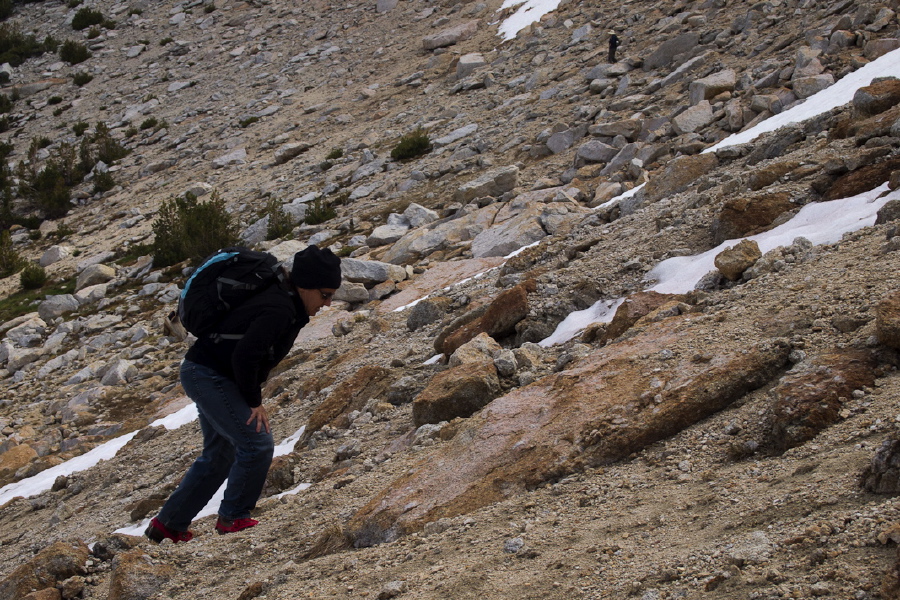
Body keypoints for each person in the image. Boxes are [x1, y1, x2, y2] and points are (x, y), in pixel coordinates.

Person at [145, 245, 342, 542]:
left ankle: (168, 525)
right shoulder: (281, 308)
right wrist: (254, 402)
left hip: (206, 372)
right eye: (324, 294)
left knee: (220, 454)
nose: (327, 303)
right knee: (257, 443)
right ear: (305, 286)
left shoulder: (286, 302)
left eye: (331, 296)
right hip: (209, 375)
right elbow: (245, 357)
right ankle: (233, 517)